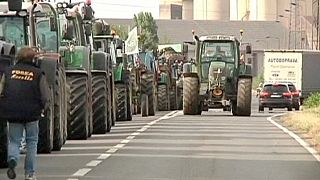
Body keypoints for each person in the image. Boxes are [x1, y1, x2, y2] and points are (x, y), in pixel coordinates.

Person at [0, 47, 50, 180]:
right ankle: (30, 174)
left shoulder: (8, 71)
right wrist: (44, 108)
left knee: (14, 140)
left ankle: (13, 159)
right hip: (32, 114)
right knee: (32, 142)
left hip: (12, 112)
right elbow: (44, 95)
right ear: (33, 59)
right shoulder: (38, 73)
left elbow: (1, 90)